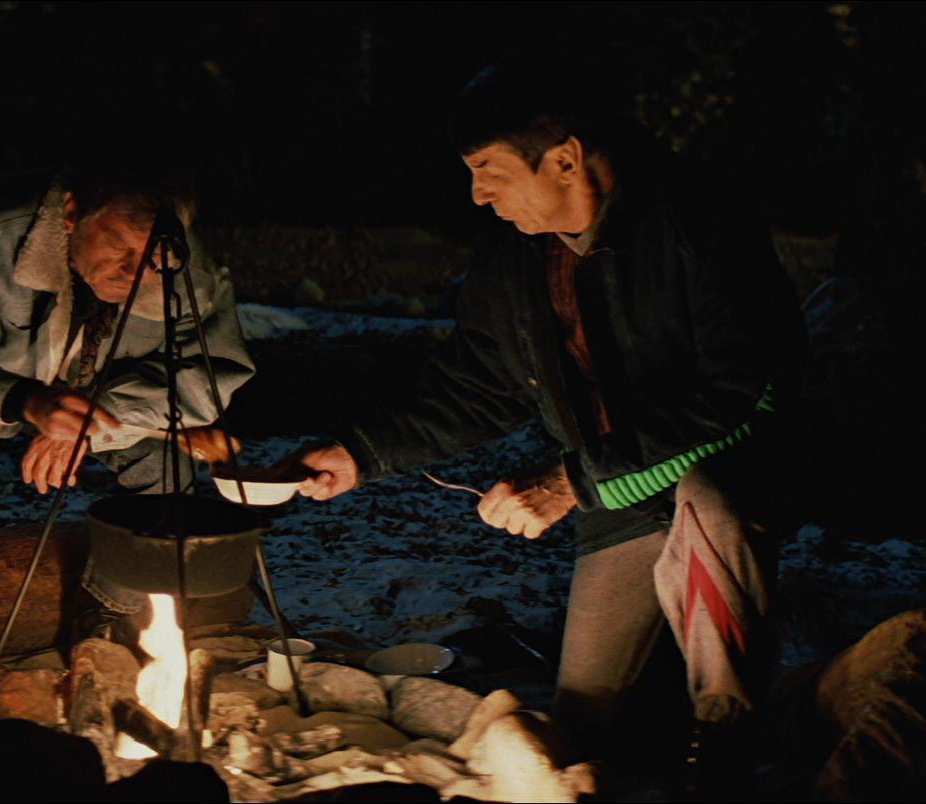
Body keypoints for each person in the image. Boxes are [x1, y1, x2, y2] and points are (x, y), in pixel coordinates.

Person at [288, 60, 809, 783]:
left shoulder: (698, 224)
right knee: (586, 722)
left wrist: (570, 481)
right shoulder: (516, 258)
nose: (477, 194)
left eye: (489, 170)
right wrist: (361, 452)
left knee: (709, 507)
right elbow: (478, 385)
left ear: (564, 158)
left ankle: (728, 736)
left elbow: (745, 401)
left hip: (722, 477)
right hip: (615, 503)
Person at [0, 162, 254, 692]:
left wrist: (91, 421)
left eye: (153, 257)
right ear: (73, 212)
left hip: (101, 398)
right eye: (121, 247)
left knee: (166, 469)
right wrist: (21, 400)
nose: (136, 273)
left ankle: (103, 612)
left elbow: (206, 381)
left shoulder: (183, 267)